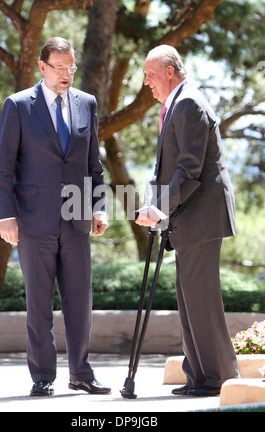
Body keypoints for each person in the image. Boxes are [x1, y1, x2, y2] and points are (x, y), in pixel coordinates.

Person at [0, 37, 111, 396]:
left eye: (71, 66)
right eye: (59, 67)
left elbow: (94, 164)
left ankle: (81, 374)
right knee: (39, 304)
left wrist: (99, 205)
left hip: (76, 217)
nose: (67, 74)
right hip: (33, 219)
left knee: (80, 302)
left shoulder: (86, 103)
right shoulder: (18, 106)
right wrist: (6, 217)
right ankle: (43, 376)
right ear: (42, 67)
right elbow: (3, 168)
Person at [135, 45, 240, 396]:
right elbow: (166, 171)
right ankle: (198, 375)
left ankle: (218, 378)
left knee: (200, 296)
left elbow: (189, 168)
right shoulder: (176, 105)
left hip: (202, 215)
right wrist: (154, 207)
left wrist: (160, 209)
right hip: (189, 215)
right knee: (188, 295)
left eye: (150, 74)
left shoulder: (189, 103)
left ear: (169, 71)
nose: (146, 82)